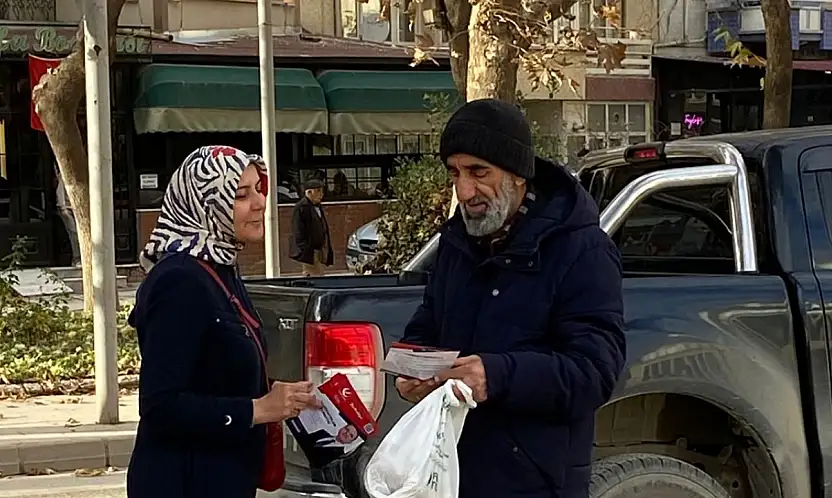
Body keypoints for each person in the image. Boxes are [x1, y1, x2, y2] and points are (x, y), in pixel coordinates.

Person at [395, 99, 626, 498]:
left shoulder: (581, 250)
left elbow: (594, 372)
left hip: (535, 482)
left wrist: (497, 375)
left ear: (518, 174)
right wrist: (414, 366)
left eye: (478, 172)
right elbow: (429, 321)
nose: (464, 191)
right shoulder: (456, 243)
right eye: (455, 173)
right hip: (452, 471)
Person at [126, 146, 322, 498]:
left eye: (258, 189)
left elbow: (214, 372)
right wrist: (258, 409)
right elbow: (161, 406)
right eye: (240, 195)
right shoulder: (179, 280)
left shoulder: (219, 268)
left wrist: (282, 394)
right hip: (183, 483)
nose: (260, 203)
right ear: (204, 205)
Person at [290, 179, 333, 276]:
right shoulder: (302, 207)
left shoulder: (318, 206)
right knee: (314, 275)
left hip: (319, 249)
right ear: (309, 192)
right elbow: (298, 231)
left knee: (318, 274)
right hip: (309, 251)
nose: (321, 194)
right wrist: (305, 250)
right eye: (318, 191)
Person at [55, 166, 80, 266]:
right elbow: (60, 191)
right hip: (67, 209)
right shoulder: (64, 175)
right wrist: (63, 207)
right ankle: (76, 259)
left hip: (76, 208)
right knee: (74, 233)